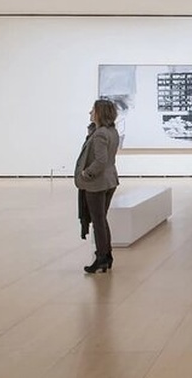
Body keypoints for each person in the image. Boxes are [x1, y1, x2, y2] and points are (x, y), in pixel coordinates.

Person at [74, 99, 120, 273]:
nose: (90, 112)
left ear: (100, 113)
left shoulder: (100, 134)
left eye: (93, 110)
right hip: (109, 180)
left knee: (98, 221)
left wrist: (87, 173)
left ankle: (102, 257)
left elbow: (100, 160)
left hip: (97, 183)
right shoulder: (111, 131)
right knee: (101, 219)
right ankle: (106, 256)